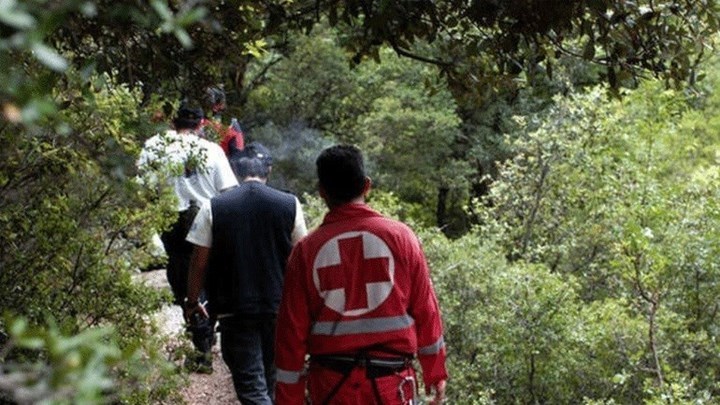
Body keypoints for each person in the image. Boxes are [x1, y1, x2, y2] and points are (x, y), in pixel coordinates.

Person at [274, 144, 448, 405]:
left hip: (331, 387)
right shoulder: (402, 238)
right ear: (367, 185)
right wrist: (435, 373)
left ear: (322, 192)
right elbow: (426, 310)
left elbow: (291, 333)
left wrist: (290, 399)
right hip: (393, 386)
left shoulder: (306, 251)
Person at [185, 145, 308, 404]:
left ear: (236, 170)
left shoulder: (214, 207)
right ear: (269, 170)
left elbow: (198, 261)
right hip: (279, 309)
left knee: (252, 388)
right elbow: (302, 258)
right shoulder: (289, 204)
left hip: (235, 310)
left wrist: (193, 300)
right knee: (274, 383)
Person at [137, 104, 239, 373]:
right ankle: (205, 337)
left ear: (173, 122)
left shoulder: (153, 145)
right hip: (207, 218)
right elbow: (229, 191)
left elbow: (144, 190)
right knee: (209, 275)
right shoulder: (213, 150)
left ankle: (200, 341)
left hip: (171, 219)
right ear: (201, 124)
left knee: (183, 277)